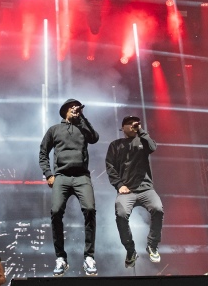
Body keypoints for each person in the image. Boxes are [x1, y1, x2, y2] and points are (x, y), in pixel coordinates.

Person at [39, 98, 100, 276]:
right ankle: (61, 258)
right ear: (65, 110)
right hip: (62, 177)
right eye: (72, 108)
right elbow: (43, 152)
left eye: (77, 108)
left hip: (82, 176)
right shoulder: (54, 130)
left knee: (90, 209)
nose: (75, 109)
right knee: (56, 211)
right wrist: (48, 174)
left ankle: (89, 257)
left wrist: (82, 118)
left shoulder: (83, 128)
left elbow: (95, 138)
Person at [105, 115, 163, 267]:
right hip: (126, 191)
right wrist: (118, 185)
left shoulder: (143, 141)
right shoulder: (115, 145)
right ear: (123, 128)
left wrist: (142, 131)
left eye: (135, 124)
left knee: (158, 209)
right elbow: (109, 166)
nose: (133, 126)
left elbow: (152, 147)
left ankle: (152, 245)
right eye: (129, 124)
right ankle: (130, 250)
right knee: (121, 214)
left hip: (146, 189)